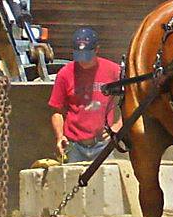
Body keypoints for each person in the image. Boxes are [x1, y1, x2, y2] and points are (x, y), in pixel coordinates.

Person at [48, 27, 121, 163]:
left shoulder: (113, 71)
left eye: (87, 55)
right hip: (74, 146)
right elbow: (56, 111)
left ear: (96, 50)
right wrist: (59, 136)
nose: (83, 61)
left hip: (103, 144)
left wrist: (118, 126)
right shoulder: (65, 74)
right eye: (79, 55)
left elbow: (132, 99)